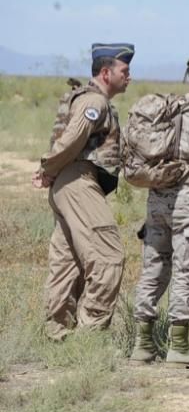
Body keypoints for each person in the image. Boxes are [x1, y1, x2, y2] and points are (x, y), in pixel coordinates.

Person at [32, 43, 134, 341]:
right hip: (78, 182)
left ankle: (58, 333)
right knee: (107, 256)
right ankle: (90, 335)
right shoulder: (95, 103)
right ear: (106, 72)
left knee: (68, 261)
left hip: (68, 184)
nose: (130, 76)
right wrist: (47, 168)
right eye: (124, 71)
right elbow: (73, 138)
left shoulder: (91, 100)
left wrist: (53, 171)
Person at [129, 52, 189, 367]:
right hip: (187, 201)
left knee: (153, 266)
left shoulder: (170, 110)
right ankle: (179, 346)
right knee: (188, 270)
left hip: (156, 199)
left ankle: (142, 345)